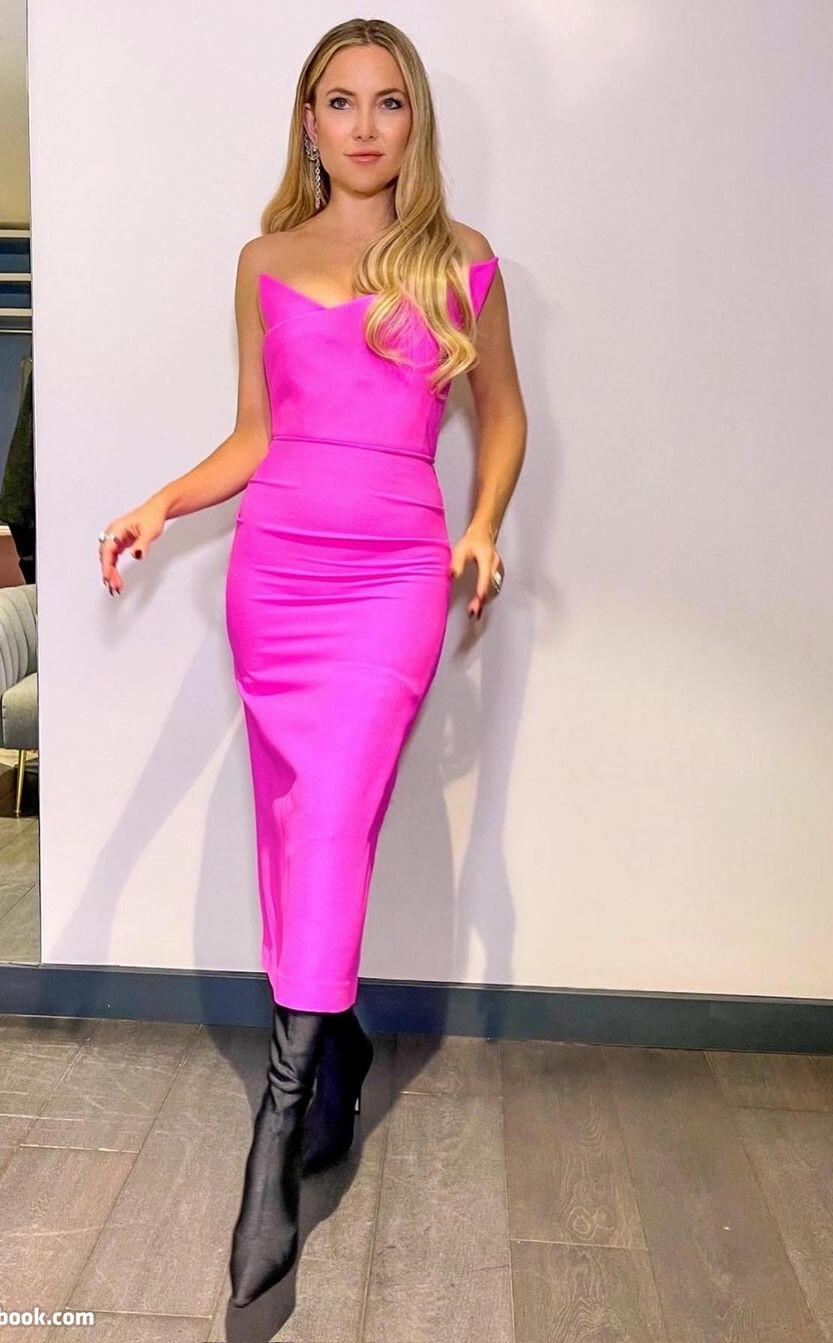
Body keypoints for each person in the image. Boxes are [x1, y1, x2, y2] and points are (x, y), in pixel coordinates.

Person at [97, 16, 527, 1313]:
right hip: (273, 576)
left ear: (415, 121)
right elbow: (255, 434)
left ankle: (277, 1132)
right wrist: (163, 501)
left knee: (333, 818)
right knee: (293, 828)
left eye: (388, 102)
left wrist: (484, 525)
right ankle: (337, 1051)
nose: (363, 125)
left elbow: (504, 415)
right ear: (308, 121)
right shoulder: (264, 259)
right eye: (340, 101)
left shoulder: (461, 260)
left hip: (393, 579)